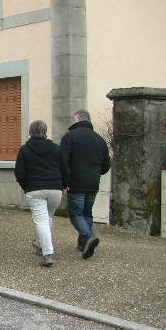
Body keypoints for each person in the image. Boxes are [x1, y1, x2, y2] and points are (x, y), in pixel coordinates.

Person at [14, 120, 69, 267]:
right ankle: (41, 244)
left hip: (35, 188)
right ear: (45, 132)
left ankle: (48, 253)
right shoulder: (56, 149)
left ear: (30, 133)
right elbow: (65, 169)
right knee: (48, 217)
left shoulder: (25, 150)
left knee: (42, 221)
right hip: (55, 188)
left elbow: (19, 172)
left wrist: (26, 186)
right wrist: (64, 185)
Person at [60, 109, 111, 259]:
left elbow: (63, 162)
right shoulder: (99, 139)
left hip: (75, 183)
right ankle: (83, 244)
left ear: (77, 120)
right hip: (93, 183)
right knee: (87, 213)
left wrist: (65, 181)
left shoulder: (69, 137)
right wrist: (95, 173)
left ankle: (89, 236)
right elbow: (107, 164)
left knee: (76, 214)